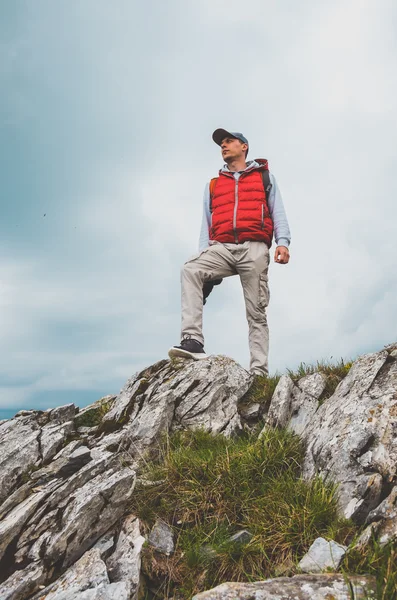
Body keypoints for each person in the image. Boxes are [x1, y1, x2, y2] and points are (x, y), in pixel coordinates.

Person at [168, 128, 291, 376]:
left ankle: (258, 372)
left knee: (256, 311)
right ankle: (192, 340)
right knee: (190, 269)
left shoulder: (264, 177)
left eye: (229, 141)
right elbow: (207, 223)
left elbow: (277, 210)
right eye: (221, 143)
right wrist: (205, 257)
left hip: (254, 247)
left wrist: (283, 242)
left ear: (244, 146)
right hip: (222, 247)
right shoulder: (214, 185)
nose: (223, 146)